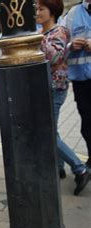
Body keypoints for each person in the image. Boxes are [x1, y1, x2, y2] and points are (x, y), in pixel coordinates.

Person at [37, 0, 89, 195]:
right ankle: (59, 167)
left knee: (48, 132)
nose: (37, 12)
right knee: (51, 129)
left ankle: (80, 169)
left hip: (55, 87)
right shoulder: (44, 32)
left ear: (52, 12)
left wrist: (38, 39)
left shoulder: (58, 32)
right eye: (37, 9)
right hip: (44, 87)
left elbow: (55, 58)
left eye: (41, 9)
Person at [64, 0, 91, 168]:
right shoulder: (72, 14)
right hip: (82, 81)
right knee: (87, 123)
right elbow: (61, 44)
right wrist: (70, 45)